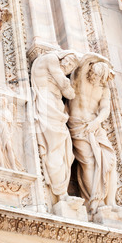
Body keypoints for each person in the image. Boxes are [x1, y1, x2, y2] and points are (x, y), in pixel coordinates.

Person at [67, 54, 119, 217]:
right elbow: (83, 60)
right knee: (89, 161)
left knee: (110, 160)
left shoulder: (103, 88)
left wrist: (96, 122)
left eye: (100, 77)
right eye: (95, 74)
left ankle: (111, 202)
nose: (96, 79)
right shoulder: (80, 78)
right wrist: (104, 62)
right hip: (78, 124)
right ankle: (95, 203)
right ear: (91, 70)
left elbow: (105, 109)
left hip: (94, 125)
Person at [31, 50, 79, 203]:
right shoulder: (51, 58)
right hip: (48, 107)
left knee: (67, 152)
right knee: (55, 148)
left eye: (72, 66)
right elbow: (66, 87)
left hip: (54, 108)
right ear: (62, 56)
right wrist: (70, 87)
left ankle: (61, 191)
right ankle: (60, 194)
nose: (69, 66)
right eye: (69, 61)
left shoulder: (51, 64)